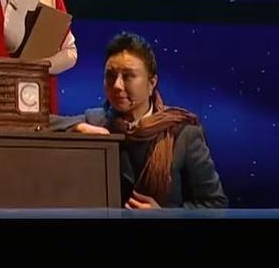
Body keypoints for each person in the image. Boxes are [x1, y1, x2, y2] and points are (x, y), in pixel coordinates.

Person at [52, 31, 227, 209]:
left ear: (151, 83)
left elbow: (215, 205)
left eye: (128, 76)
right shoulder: (95, 121)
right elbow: (42, 123)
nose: (117, 85)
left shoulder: (182, 132)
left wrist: (165, 216)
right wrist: (77, 127)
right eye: (110, 75)